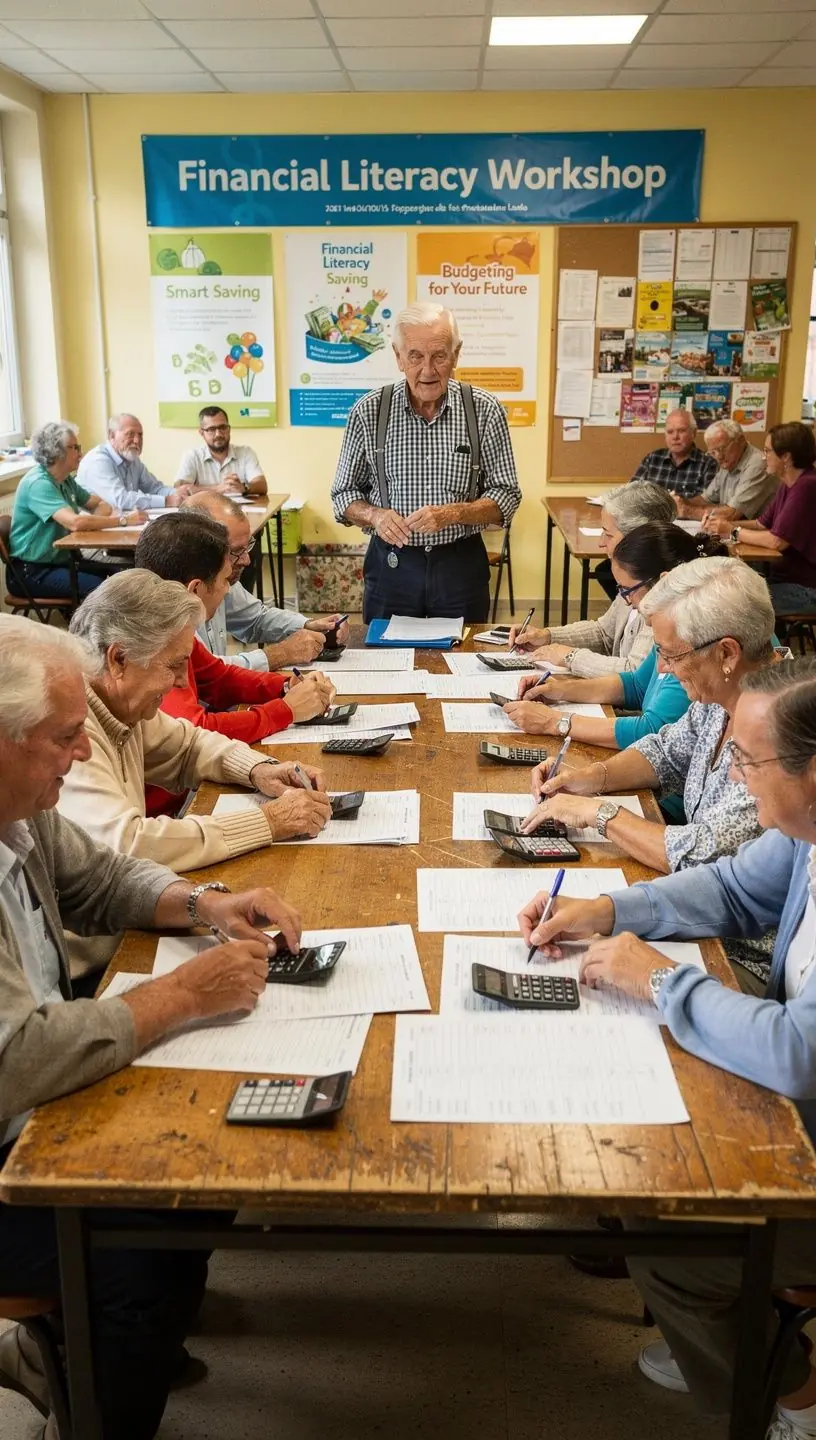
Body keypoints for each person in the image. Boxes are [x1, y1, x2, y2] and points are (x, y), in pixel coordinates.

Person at [0, 615, 302, 1440]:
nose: (84, 754)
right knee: (134, 1248)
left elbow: (102, 878)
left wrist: (204, 904)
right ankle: (98, 1385)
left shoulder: (19, 809)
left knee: (196, 1179)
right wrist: (183, 996)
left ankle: (94, 1350)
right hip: (8, 1140)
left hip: (31, 1109)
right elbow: (13, 1060)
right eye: (65, 738)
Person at [517, 657, 816, 1440]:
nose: (736, 779)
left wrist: (659, 984)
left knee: (673, 1244)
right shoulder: (805, 830)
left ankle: (800, 1400)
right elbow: (732, 891)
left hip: (806, 1131)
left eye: (748, 762)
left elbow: (795, 1053)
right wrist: (610, 907)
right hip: (799, 1104)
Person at [58, 569, 331, 978]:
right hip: (96, 965)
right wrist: (265, 822)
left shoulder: (119, 703)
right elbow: (127, 845)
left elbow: (188, 744)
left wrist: (260, 768)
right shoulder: (68, 727)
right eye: (173, 667)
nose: (178, 684)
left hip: (137, 926)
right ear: (118, 659)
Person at [524, 557, 781, 987]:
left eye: (671, 654)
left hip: (741, 959)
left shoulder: (782, 731)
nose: (660, 668)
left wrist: (599, 814)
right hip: (696, 919)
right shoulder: (721, 698)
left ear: (726, 654)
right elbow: (665, 752)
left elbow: (703, 859)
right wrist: (589, 776)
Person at [331, 301, 521, 622]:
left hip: (460, 569)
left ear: (456, 355)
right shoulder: (369, 411)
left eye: (439, 356)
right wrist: (375, 516)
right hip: (391, 569)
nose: (428, 370)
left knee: (462, 660)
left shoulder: (485, 410)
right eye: (415, 356)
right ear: (398, 356)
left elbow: (507, 495)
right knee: (386, 662)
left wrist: (455, 513)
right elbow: (344, 495)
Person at [501, 524, 727, 768]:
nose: (662, 666)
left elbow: (652, 731)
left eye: (627, 591)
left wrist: (554, 722)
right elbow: (636, 685)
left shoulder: (694, 635)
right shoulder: (674, 622)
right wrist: (558, 691)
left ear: (663, 580)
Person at [134, 511, 335, 742]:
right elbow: (195, 732)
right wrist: (286, 710)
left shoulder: (172, 623)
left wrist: (286, 686)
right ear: (195, 589)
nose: (228, 591)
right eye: (225, 581)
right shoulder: (150, 640)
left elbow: (219, 678)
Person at [507, 483, 677, 677]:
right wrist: (547, 636)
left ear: (639, 538)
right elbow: (604, 633)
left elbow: (634, 673)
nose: (601, 542)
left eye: (608, 533)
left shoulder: (662, 591)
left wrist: (570, 656)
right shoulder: (634, 574)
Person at [183, 490, 350, 668]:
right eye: (236, 551)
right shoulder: (169, 599)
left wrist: (309, 625)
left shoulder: (219, 576)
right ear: (198, 548)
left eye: (248, 547)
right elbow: (207, 673)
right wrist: (281, 654)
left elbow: (255, 619)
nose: (246, 560)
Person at [7, 421, 146, 600]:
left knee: (125, 577)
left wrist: (88, 523)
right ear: (56, 451)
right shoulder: (38, 484)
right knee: (110, 592)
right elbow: (75, 523)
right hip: (32, 572)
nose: (81, 452)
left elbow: (101, 505)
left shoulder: (65, 479)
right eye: (75, 447)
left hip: (64, 562)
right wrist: (124, 520)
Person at [708, 421, 816, 614]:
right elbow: (760, 524)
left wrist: (732, 531)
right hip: (783, 579)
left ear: (786, 458)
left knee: (731, 604)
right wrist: (722, 524)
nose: (763, 457)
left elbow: (776, 541)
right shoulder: (788, 484)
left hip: (806, 588)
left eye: (767, 451)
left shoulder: (806, 486)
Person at [78, 413, 192, 512]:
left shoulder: (133, 459)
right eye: (130, 434)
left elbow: (155, 489)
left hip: (119, 524)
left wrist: (180, 494)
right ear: (111, 435)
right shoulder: (97, 461)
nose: (137, 441)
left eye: (140, 435)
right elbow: (120, 500)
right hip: (90, 530)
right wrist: (166, 501)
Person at [671, 418, 776, 525]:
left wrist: (687, 511)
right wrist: (680, 501)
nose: (719, 457)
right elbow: (706, 500)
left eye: (722, 449)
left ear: (741, 440)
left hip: (758, 534)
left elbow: (732, 514)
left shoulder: (757, 464)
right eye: (713, 452)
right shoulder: (729, 461)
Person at [175, 406, 268, 497]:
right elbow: (180, 489)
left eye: (222, 427)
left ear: (229, 429)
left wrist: (244, 487)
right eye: (211, 429)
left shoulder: (245, 452)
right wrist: (218, 489)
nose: (218, 434)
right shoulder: (192, 455)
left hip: (240, 510)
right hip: (203, 511)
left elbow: (261, 485)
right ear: (201, 433)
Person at [630, 408, 717, 498]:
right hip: (652, 512)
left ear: (693, 433)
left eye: (681, 431)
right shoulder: (652, 459)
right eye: (670, 432)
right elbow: (630, 495)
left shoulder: (708, 464)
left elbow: (707, 504)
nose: (675, 437)